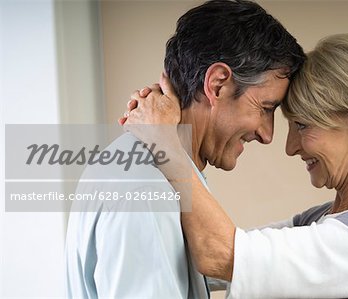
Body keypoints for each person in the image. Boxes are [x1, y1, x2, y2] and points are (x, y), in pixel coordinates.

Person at [123, 33, 348, 298]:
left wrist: (165, 143)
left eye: (303, 126)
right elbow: (198, 259)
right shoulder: (323, 219)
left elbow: (219, 254)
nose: (290, 147)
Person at [65, 0, 305, 298]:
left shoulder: (150, 169)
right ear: (217, 85)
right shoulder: (147, 187)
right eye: (266, 108)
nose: (267, 134)